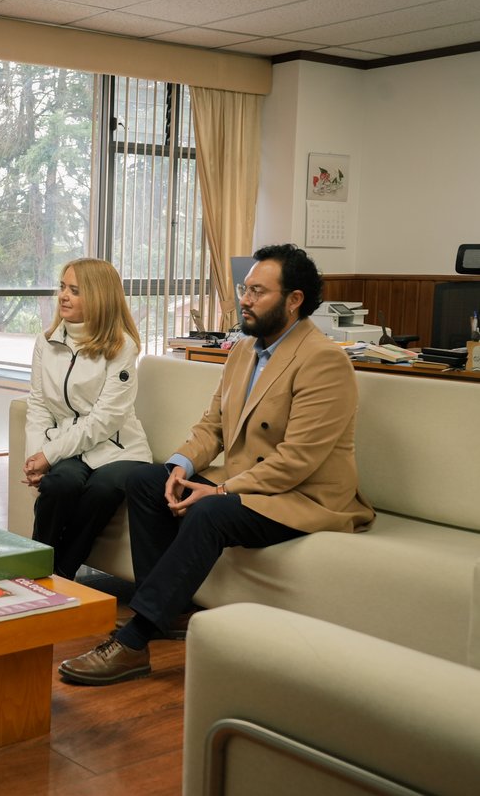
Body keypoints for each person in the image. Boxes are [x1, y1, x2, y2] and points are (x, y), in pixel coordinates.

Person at [58, 244, 374, 686]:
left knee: (209, 511)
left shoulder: (324, 361)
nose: (245, 299)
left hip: (304, 496)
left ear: (294, 300)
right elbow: (213, 426)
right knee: (147, 481)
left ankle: (134, 641)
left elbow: (297, 460)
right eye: (245, 289)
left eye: (258, 292)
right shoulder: (244, 350)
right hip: (249, 483)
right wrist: (181, 467)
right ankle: (170, 611)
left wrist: (222, 490)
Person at [22, 258, 152, 580]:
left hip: (119, 450)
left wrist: (50, 453)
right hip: (71, 447)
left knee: (102, 490)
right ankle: (36, 568)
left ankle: (58, 576)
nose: (63, 296)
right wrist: (35, 456)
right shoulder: (46, 342)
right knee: (59, 484)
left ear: (98, 297)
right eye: (62, 287)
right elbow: (38, 405)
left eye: (75, 290)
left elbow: (104, 420)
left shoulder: (121, 346)